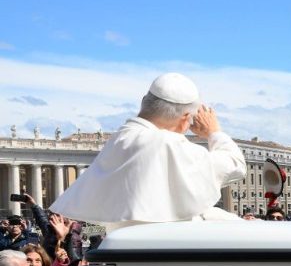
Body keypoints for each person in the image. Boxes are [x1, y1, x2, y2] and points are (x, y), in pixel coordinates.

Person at [50, 72, 248, 230]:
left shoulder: (119, 139)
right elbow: (235, 165)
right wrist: (214, 132)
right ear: (185, 118)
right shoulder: (167, 143)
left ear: (144, 101)